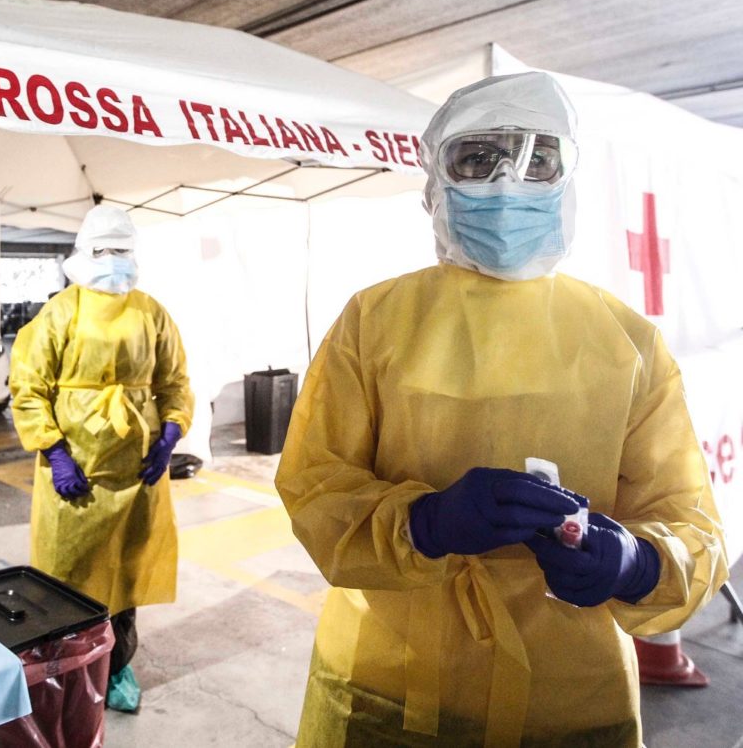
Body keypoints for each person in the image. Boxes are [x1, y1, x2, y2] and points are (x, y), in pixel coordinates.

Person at [274, 72, 728, 746]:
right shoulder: (373, 321)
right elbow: (315, 484)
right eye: (478, 159)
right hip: (387, 682)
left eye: (538, 159)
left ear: (568, 177)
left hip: (568, 695)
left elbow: (689, 518)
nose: (508, 182)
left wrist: (637, 563)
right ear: (436, 180)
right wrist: (422, 523)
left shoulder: (628, 343)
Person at [10, 205, 193, 712]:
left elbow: (174, 380)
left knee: (126, 574)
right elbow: (28, 388)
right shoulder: (60, 312)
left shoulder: (151, 311)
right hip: (77, 469)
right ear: (84, 253)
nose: (113, 260)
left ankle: (116, 667)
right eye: (104, 250)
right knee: (69, 574)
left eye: (121, 250)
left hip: (136, 469)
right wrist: (55, 451)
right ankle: (66, 670)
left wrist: (171, 431)